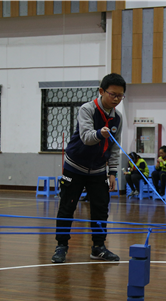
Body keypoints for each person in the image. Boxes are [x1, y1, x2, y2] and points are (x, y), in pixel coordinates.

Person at [51, 73, 126, 263]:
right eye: (113, 94)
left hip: (99, 169)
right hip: (75, 166)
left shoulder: (118, 118)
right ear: (101, 91)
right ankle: (61, 246)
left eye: (120, 96)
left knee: (101, 209)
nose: (116, 99)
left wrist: (113, 173)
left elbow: (115, 148)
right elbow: (86, 137)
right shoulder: (87, 109)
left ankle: (98, 247)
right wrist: (100, 134)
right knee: (67, 208)